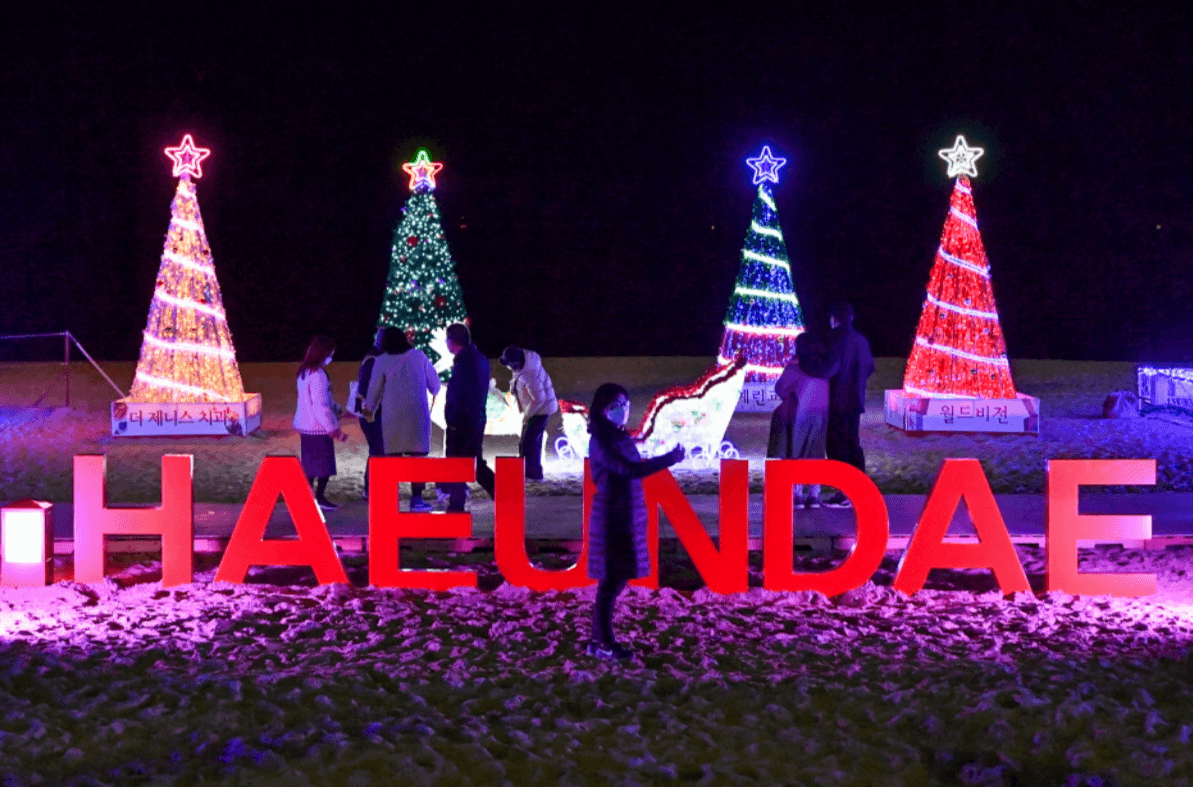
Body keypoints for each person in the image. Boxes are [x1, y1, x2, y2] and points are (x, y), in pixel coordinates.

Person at [586, 383, 684, 661]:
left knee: (615, 581)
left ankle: (597, 640)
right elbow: (628, 469)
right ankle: (603, 641)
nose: (622, 409)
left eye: (625, 403)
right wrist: (668, 459)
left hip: (626, 513)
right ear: (602, 408)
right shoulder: (602, 439)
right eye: (615, 404)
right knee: (611, 582)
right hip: (611, 516)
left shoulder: (617, 435)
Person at [363, 327, 441, 512]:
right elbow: (435, 385)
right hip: (417, 415)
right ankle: (416, 499)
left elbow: (373, 391)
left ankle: (391, 501)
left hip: (392, 416)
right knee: (418, 460)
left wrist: (369, 411)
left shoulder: (381, 361)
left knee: (392, 459)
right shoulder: (419, 356)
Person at [770, 332, 838, 509]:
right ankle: (814, 496)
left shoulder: (794, 367)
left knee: (793, 453)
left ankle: (796, 495)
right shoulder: (825, 370)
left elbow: (780, 389)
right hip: (818, 417)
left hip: (794, 416)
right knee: (815, 454)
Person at [825, 302, 875, 508]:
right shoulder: (861, 340)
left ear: (834, 319)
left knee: (837, 446)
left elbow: (827, 369)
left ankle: (843, 492)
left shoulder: (833, 339)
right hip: (855, 400)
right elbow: (870, 367)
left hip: (836, 400)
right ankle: (860, 487)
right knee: (853, 443)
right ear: (851, 317)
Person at [441, 323, 496, 512]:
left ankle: (456, 506)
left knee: (458, 464)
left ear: (453, 341)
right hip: (475, 418)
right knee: (474, 463)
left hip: (463, 422)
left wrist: (453, 420)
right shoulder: (478, 358)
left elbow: (460, 394)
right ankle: (501, 492)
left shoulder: (464, 362)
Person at [293, 334, 348, 511]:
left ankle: (306, 499)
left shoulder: (304, 371)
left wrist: (338, 409)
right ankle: (318, 498)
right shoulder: (318, 375)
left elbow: (321, 401)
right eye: (330, 353)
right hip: (318, 429)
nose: (331, 357)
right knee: (323, 468)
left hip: (307, 427)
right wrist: (332, 429)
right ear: (323, 353)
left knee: (310, 468)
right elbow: (320, 405)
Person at [499, 345, 558, 481]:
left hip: (540, 411)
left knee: (529, 443)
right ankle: (529, 472)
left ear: (515, 364)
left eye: (508, 364)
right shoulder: (525, 366)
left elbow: (539, 398)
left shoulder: (529, 375)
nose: (507, 367)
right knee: (529, 441)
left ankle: (533, 475)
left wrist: (527, 415)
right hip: (537, 409)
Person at [355, 333, 384, 499]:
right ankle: (372, 489)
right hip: (372, 414)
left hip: (370, 414)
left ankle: (370, 489)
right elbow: (366, 390)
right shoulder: (374, 360)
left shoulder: (372, 358)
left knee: (376, 451)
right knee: (379, 452)